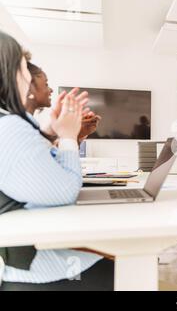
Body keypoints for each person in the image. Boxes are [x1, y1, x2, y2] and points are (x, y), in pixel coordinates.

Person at [0, 31, 113, 291]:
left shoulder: (11, 125)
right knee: (126, 261)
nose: (28, 76)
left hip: (25, 260)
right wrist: (68, 137)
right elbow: (64, 191)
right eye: (21, 68)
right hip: (38, 272)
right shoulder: (8, 128)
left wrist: (51, 132)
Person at [26, 61, 102, 144]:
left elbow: (50, 152)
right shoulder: (21, 128)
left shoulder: (30, 126)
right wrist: (70, 136)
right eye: (46, 84)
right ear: (29, 89)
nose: (51, 90)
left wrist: (78, 135)